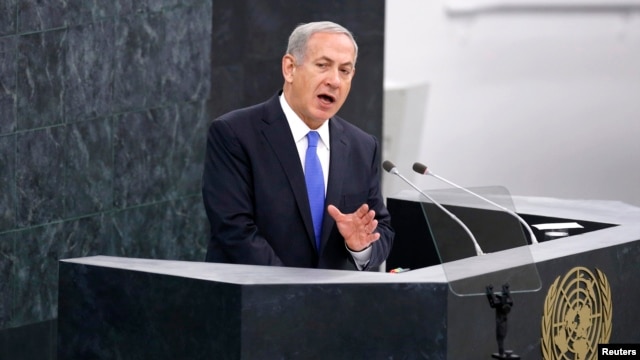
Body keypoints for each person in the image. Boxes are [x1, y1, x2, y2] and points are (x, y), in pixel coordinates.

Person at [202, 21, 394, 270]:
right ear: (290, 68)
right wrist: (295, 295)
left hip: (333, 302)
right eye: (323, 66)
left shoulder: (362, 146)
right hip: (254, 300)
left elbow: (381, 229)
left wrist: (360, 247)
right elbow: (234, 230)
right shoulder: (234, 134)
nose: (334, 81)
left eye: (344, 71)